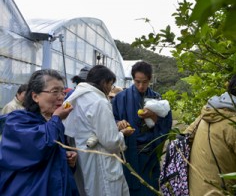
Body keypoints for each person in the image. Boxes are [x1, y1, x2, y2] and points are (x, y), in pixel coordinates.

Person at [0, 69, 79, 195]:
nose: (61, 97)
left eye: (63, 92)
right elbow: (38, 147)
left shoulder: (53, 122)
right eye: (55, 92)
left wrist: (67, 158)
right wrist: (57, 118)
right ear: (35, 96)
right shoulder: (17, 120)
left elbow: (54, 160)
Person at [64, 65, 133, 196]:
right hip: (100, 159)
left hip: (82, 155)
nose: (110, 89)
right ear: (103, 82)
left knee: (87, 189)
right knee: (104, 190)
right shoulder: (99, 101)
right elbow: (111, 142)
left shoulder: (76, 97)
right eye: (110, 84)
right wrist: (122, 134)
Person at [112, 61, 173, 195]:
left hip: (149, 155)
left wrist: (153, 116)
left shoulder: (157, 99)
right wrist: (118, 124)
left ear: (150, 80)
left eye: (144, 82)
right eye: (137, 81)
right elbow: (111, 120)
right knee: (129, 186)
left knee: (149, 188)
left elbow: (166, 124)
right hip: (128, 152)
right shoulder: (120, 98)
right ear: (133, 79)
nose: (141, 86)